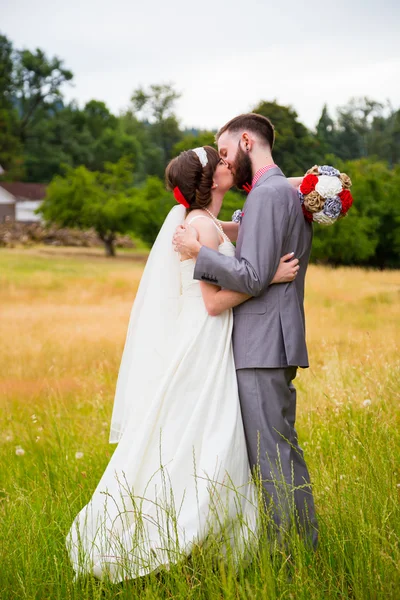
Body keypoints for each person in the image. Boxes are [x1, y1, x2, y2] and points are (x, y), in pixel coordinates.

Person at [66, 145, 300, 583]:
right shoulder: (200, 229)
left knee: (192, 435)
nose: (230, 165)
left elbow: (248, 216)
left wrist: (303, 186)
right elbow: (212, 304)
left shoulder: (203, 223)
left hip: (207, 341)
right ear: (211, 180)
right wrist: (268, 279)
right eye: (222, 163)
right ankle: (186, 537)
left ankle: (200, 536)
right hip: (206, 342)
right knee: (207, 433)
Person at [173, 114, 318, 550]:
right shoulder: (275, 191)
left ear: (247, 142)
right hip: (269, 341)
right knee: (280, 451)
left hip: (262, 344)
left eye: (225, 150)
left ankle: (289, 556)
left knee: (272, 457)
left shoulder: (268, 196)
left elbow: (254, 276)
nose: (224, 161)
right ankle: (299, 547)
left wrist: (200, 251)